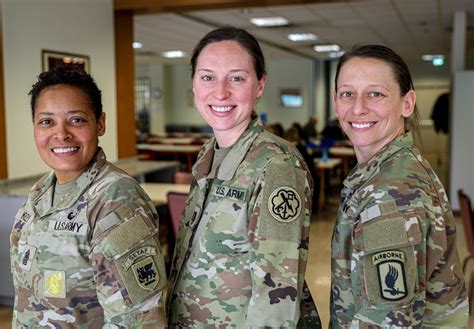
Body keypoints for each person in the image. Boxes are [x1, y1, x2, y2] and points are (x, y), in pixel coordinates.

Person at [167, 26, 320, 328]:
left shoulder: (276, 166)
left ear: (260, 85)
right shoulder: (207, 155)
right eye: (208, 77)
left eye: (236, 78)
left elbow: (277, 297)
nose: (220, 92)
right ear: (194, 84)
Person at [10, 67, 167, 327]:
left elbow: (138, 319)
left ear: (100, 123)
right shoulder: (40, 193)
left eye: (76, 120)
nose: (61, 134)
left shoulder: (116, 199)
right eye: (46, 121)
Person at [330, 44, 468, 327]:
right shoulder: (386, 169)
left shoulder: (389, 193)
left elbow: (387, 321)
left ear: (407, 103)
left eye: (376, 94)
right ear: (335, 102)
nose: (358, 107)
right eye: (347, 94)